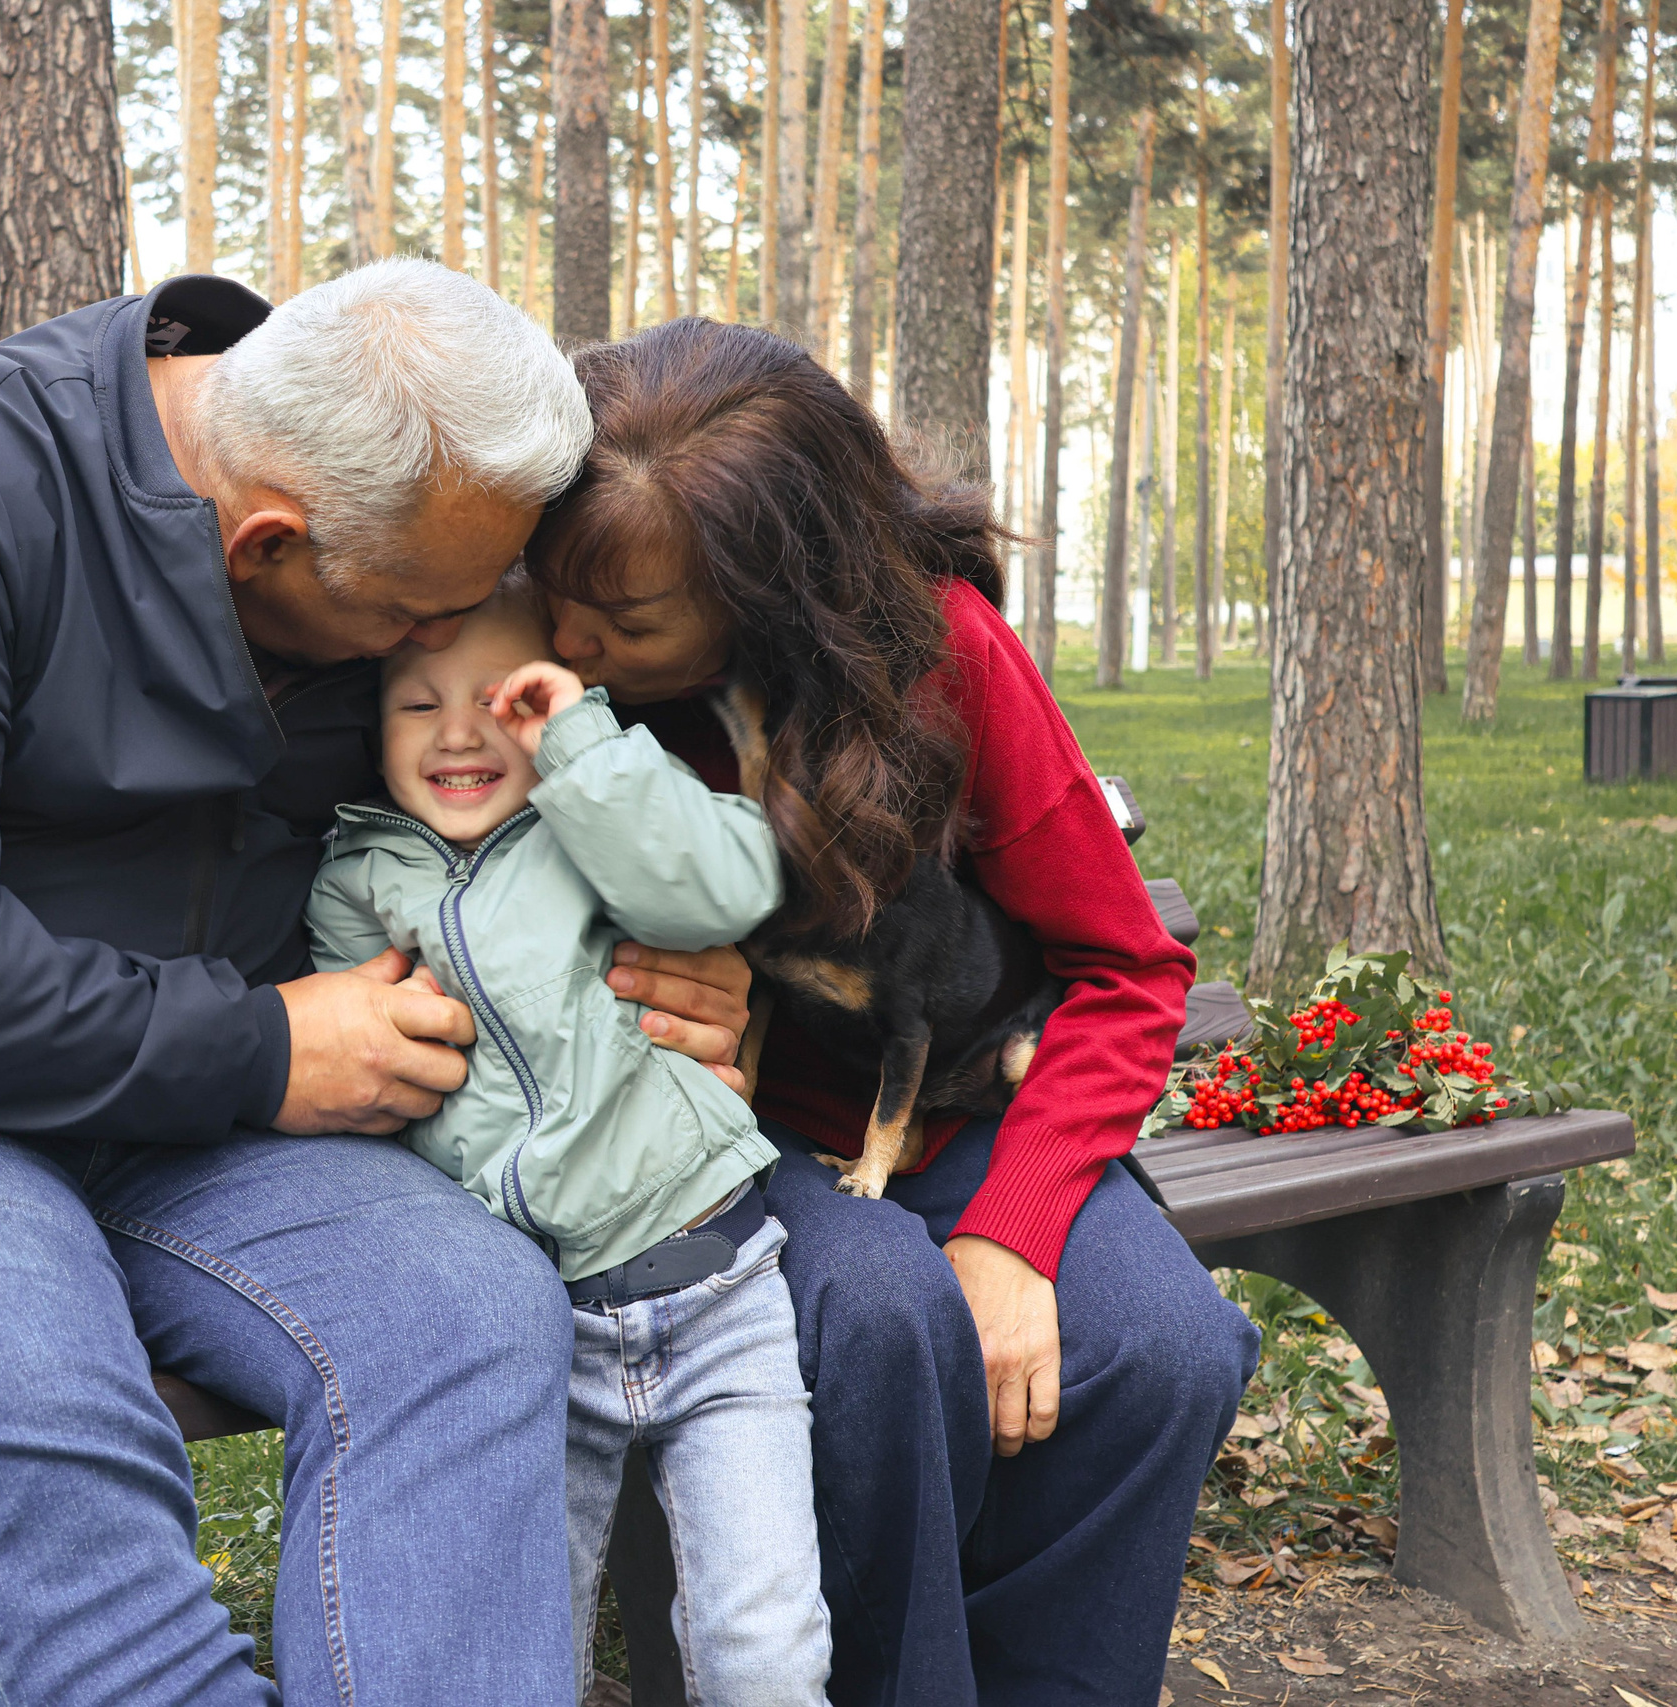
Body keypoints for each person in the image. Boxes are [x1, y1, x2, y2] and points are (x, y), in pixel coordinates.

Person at [0, 261, 755, 1705]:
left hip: (185, 1121)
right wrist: (262, 1047)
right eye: (411, 617)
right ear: (263, 544)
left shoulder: (396, 517)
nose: (435, 638)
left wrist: (675, 947)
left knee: (470, 1314)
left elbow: (534, 790)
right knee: (38, 1407)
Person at [526, 316, 1262, 1706]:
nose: (567, 642)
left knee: (1163, 1347)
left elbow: (1121, 965)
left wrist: (1017, 1225)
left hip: (960, 1104)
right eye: (559, 593)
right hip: (716, 1145)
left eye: (624, 624)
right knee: (878, 1325)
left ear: (773, 595)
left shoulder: (948, 661)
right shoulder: (549, 691)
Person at [306, 590, 830, 1703]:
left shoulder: (599, 823)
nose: (458, 730)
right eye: (416, 704)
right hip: (542, 1332)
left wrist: (583, 752)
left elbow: (726, 885)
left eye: (503, 701)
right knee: (530, 1645)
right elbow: (370, 1097)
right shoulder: (358, 881)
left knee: (761, 1648)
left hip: (719, 1291)